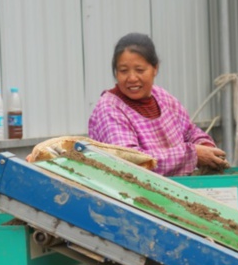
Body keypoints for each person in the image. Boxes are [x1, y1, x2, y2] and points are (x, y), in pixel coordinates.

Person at [88, 33, 229, 177]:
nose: (132, 78)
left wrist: (206, 147)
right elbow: (129, 162)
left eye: (140, 70)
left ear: (155, 68)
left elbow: (190, 131)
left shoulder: (162, 97)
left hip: (176, 189)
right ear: (116, 73)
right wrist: (192, 155)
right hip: (131, 195)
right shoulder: (109, 108)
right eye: (123, 71)